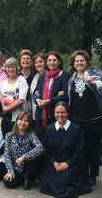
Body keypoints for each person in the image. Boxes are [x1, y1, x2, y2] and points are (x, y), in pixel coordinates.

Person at [40, 101, 92, 197]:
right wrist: (54, 162)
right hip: (54, 164)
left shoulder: (76, 129)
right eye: (57, 112)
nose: (60, 115)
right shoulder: (50, 129)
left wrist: (67, 163)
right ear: (54, 113)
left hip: (72, 164)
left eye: (63, 112)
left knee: (64, 179)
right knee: (48, 179)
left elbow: (80, 150)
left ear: (68, 113)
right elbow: (46, 147)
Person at [67, 50, 102, 186]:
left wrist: (94, 83)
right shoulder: (72, 78)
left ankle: (93, 175)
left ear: (86, 62)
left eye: (81, 60)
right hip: (76, 118)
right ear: (73, 63)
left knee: (92, 147)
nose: (79, 63)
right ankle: (81, 172)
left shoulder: (96, 74)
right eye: (77, 61)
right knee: (79, 147)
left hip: (93, 118)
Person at [33, 51, 69, 142]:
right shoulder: (43, 76)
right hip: (41, 114)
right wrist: (37, 100)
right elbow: (35, 93)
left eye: (54, 60)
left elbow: (66, 96)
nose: (51, 63)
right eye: (49, 60)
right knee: (40, 141)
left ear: (59, 61)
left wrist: (49, 100)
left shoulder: (63, 76)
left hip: (56, 115)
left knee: (55, 141)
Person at [3, 111, 43, 190]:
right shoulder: (9, 135)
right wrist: (10, 171)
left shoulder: (31, 135)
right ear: (17, 121)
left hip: (28, 165)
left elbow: (40, 148)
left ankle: (28, 177)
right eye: (21, 120)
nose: (23, 123)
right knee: (8, 182)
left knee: (36, 153)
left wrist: (23, 157)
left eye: (26, 121)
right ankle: (24, 179)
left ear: (29, 124)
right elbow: (7, 154)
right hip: (16, 167)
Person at [0, 57, 28, 123]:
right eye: (8, 67)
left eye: (13, 67)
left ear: (17, 68)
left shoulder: (22, 81)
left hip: (18, 115)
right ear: (5, 69)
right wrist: (3, 108)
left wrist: (9, 109)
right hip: (3, 113)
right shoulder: (3, 83)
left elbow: (21, 99)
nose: (10, 69)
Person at [29, 53, 46, 127]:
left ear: (45, 62)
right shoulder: (36, 77)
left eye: (40, 61)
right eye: (36, 63)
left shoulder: (49, 76)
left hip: (45, 111)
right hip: (35, 111)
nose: (38, 64)